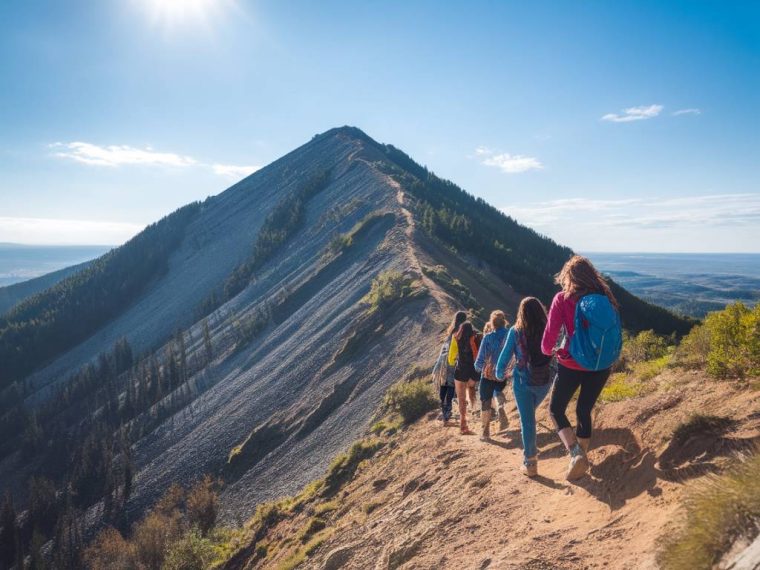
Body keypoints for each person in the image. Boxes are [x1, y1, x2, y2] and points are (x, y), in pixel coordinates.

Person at [541, 255, 620, 480]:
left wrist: (549, 351)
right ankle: (581, 456)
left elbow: (549, 338)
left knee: (556, 409)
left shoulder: (562, 298)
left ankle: (576, 454)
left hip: (571, 363)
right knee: (584, 409)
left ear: (568, 277)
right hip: (602, 364)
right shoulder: (605, 298)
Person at [496, 297, 553, 477]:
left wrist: (499, 373)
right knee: (529, 416)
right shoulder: (549, 328)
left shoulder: (516, 331)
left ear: (522, 312)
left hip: (523, 382)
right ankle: (530, 457)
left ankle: (530, 463)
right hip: (545, 382)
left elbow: (505, 357)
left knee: (527, 422)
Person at [474, 310, 509, 441]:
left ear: (492, 324)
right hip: (503, 373)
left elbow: (480, 359)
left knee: (485, 401)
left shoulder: (488, 337)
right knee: (498, 390)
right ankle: (500, 407)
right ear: (504, 322)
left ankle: (485, 432)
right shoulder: (510, 335)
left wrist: (477, 368)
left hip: (488, 373)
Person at [448, 320, 481, 434]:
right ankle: (474, 408)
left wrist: (452, 362)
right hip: (473, 372)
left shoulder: (456, 338)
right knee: (471, 390)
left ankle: (463, 424)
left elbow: (452, 354)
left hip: (460, 372)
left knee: (461, 399)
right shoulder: (477, 338)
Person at [436, 311, 467, 425]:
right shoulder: (461, 331)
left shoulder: (451, 331)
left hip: (444, 362)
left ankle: (444, 410)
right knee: (451, 385)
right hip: (454, 361)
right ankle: (447, 411)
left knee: (444, 384)